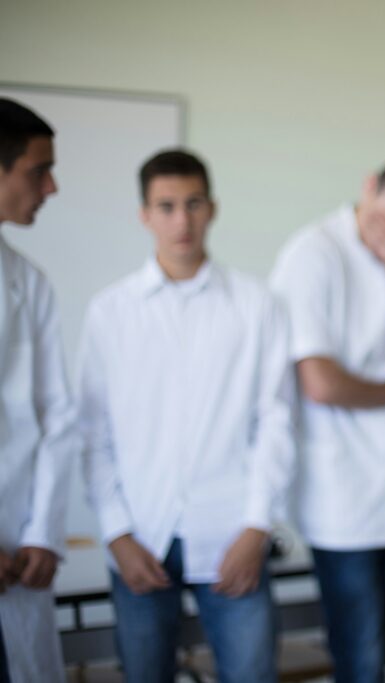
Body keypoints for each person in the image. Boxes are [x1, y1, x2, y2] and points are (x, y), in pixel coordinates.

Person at [78, 149, 294, 683]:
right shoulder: (110, 312)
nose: (182, 220)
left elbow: (277, 420)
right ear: (144, 214)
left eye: (193, 203)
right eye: (166, 205)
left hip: (231, 535)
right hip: (139, 537)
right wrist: (116, 534)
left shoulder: (257, 304)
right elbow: (92, 431)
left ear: (213, 208)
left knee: (252, 674)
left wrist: (256, 527)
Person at [270, 156, 385, 683]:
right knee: (360, 659)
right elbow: (319, 382)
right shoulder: (313, 253)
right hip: (340, 495)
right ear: (369, 188)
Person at [0, 98, 76, 683]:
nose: (51, 188)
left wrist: (44, 534)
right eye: (37, 170)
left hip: (22, 559)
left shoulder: (30, 283)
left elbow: (57, 418)